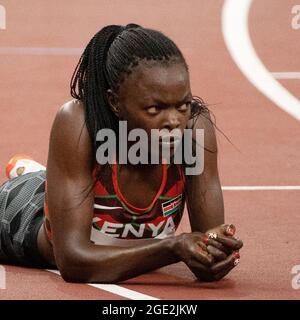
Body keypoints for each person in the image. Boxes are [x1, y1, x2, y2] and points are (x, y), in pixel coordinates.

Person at [0, 23, 243, 283]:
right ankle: (30, 178)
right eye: (155, 109)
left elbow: (208, 247)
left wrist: (214, 254)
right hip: (22, 214)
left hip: (74, 190)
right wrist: (173, 247)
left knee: (61, 183)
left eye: (183, 105)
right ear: (115, 102)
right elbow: (72, 262)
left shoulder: (194, 130)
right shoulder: (79, 123)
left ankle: (39, 173)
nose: (174, 121)